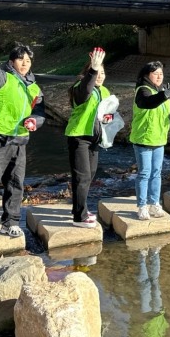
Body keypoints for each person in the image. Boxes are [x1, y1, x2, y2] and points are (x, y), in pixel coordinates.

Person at [0, 28, 45, 238]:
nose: (25, 63)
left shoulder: (34, 87)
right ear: (12, 61)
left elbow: (40, 112)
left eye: (28, 60)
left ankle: (11, 222)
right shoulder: (3, 79)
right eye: (20, 59)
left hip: (20, 141)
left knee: (16, 184)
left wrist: (35, 121)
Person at [65, 47, 113, 228]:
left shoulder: (105, 91)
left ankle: (80, 208)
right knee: (82, 177)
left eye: (102, 72)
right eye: (96, 72)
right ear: (88, 72)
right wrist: (93, 69)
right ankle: (79, 216)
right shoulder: (81, 87)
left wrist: (109, 118)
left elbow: (108, 114)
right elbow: (85, 92)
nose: (100, 76)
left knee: (90, 175)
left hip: (95, 139)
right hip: (79, 137)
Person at [130, 61, 170, 220]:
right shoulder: (142, 90)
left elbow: (163, 115)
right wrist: (164, 95)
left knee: (156, 173)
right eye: (156, 74)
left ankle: (154, 204)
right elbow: (147, 103)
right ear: (147, 75)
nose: (159, 76)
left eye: (161, 74)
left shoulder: (162, 91)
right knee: (144, 173)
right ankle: (142, 206)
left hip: (159, 139)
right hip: (144, 139)